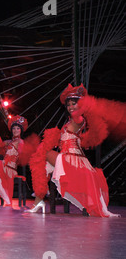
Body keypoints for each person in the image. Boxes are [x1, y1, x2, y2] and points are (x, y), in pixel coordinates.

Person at [27, 84, 120, 217]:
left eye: (74, 104)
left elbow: (79, 118)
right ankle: (39, 199)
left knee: (43, 154)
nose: (71, 107)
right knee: (43, 165)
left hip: (71, 160)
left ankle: (40, 197)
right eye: (69, 105)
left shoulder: (79, 119)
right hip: (67, 156)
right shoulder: (70, 120)